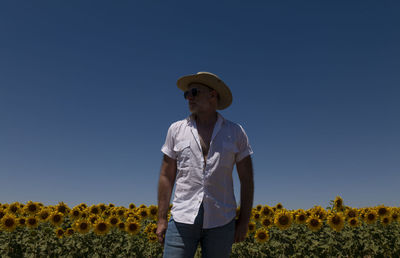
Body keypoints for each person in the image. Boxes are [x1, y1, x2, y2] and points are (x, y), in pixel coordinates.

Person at [156, 71, 254, 258]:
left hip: (222, 220)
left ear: (212, 95)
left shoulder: (236, 132)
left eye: (194, 92)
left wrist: (244, 221)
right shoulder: (176, 130)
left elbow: (247, 179)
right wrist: (161, 219)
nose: (188, 98)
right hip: (182, 218)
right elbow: (166, 176)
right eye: (186, 94)